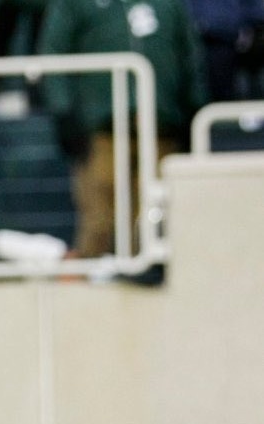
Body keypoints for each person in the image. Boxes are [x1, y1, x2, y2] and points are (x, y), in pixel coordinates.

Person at [37, 0, 207, 258]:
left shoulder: (169, 5)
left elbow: (190, 55)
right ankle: (91, 288)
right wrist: (64, 111)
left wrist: (194, 105)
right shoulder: (74, 5)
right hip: (103, 128)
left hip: (161, 125)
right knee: (99, 219)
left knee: (155, 220)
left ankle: (150, 279)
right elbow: (54, 51)